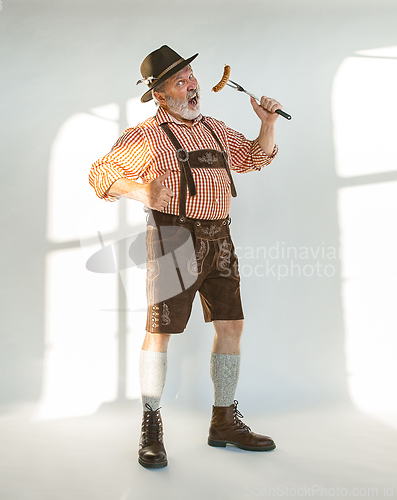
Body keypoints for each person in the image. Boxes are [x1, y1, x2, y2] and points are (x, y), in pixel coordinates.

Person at [89, 45, 282, 469]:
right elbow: (100, 175)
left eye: (192, 75)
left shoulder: (214, 127)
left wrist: (266, 125)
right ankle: (151, 425)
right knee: (161, 332)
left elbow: (253, 159)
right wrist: (141, 191)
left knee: (232, 325)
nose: (192, 84)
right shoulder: (146, 135)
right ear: (160, 94)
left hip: (220, 240)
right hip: (174, 239)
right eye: (180, 80)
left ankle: (224, 421)